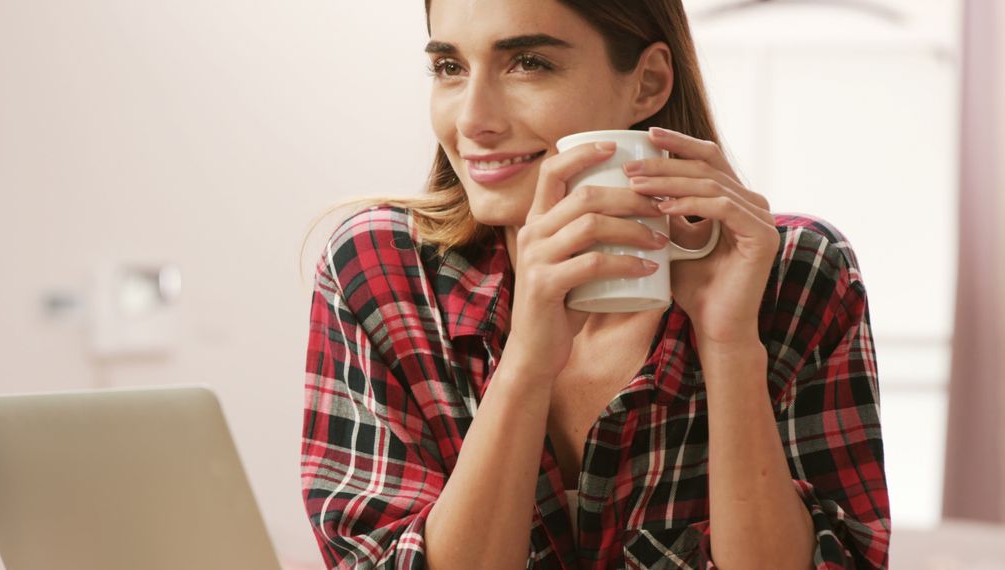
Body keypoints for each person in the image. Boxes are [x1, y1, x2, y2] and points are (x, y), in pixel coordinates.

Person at [300, 0, 890, 568]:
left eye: (528, 63)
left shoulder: (794, 271)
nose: (473, 120)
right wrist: (526, 362)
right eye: (449, 67)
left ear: (648, 83)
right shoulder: (379, 270)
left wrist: (730, 345)